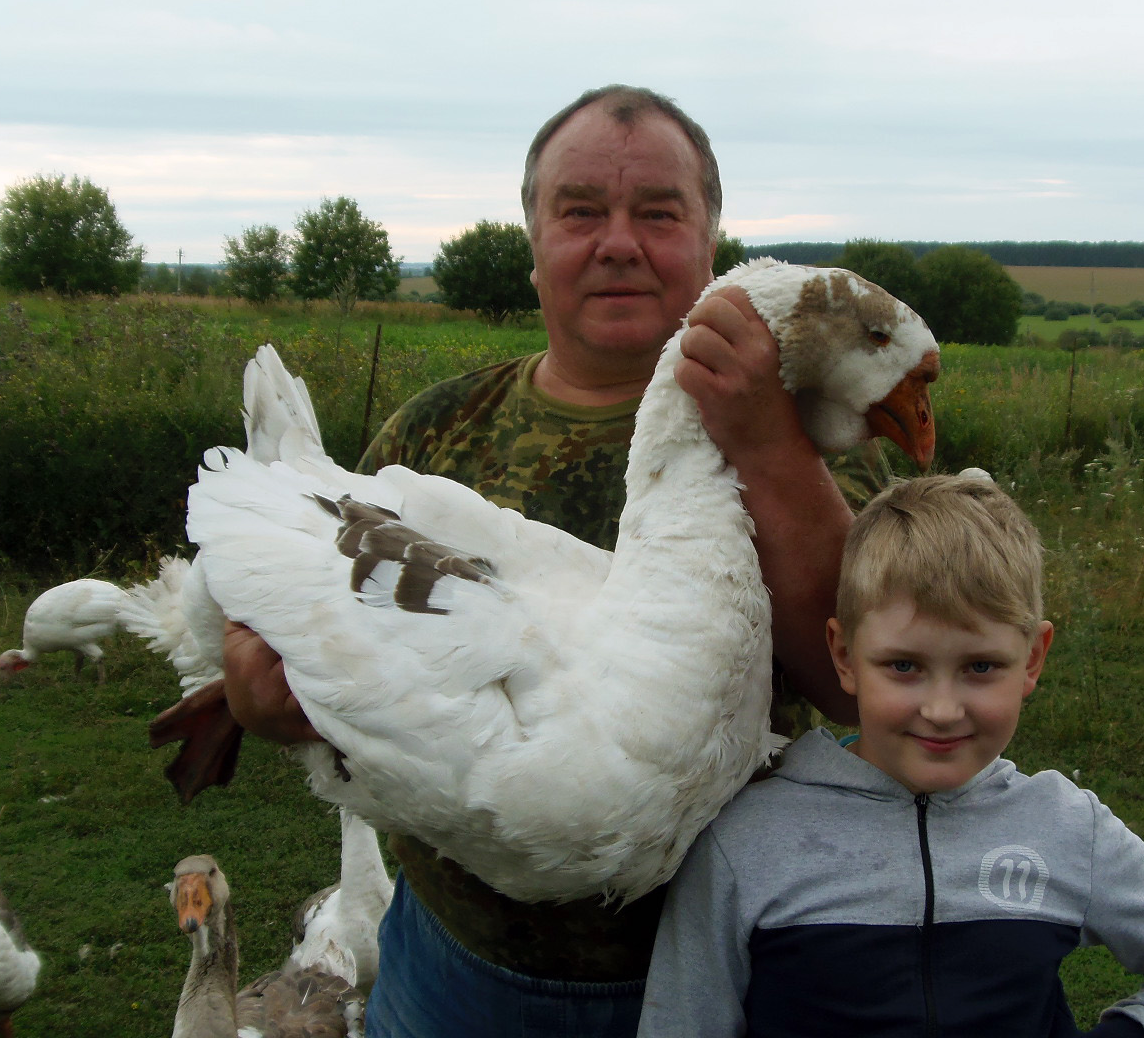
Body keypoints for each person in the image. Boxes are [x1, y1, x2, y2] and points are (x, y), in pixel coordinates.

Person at [220, 85, 894, 1035]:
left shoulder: (805, 451)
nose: (618, 242)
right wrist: (244, 689)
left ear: (710, 245)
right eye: (581, 211)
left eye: (658, 213)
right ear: (535, 243)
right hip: (453, 973)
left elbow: (867, 681)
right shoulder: (438, 428)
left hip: (724, 973)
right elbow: (313, 609)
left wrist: (767, 445)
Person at [639, 474, 1144, 1036]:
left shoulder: (1068, 827)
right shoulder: (745, 840)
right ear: (843, 656)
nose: (942, 708)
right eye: (904, 665)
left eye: (981, 667)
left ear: (1034, 659)